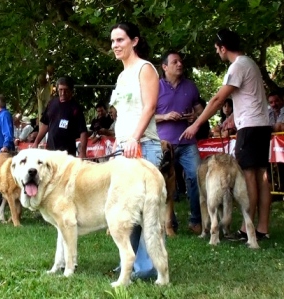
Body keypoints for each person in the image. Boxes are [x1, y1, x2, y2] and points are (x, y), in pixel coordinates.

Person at [181, 28, 272, 240]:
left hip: (250, 129)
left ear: (223, 47)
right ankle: (263, 228)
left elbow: (217, 100)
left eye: (216, 49)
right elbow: (251, 98)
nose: (216, 53)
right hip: (261, 125)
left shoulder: (237, 66)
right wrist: (233, 118)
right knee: (262, 176)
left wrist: (196, 124)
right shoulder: (250, 63)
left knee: (249, 176)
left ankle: (246, 230)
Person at [109, 21, 162, 281]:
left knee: (144, 212)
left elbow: (149, 107)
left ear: (134, 41)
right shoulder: (121, 76)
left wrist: (134, 138)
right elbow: (123, 113)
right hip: (123, 149)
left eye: (120, 40)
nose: (115, 45)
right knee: (125, 211)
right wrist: (119, 142)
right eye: (113, 41)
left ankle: (146, 267)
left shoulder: (146, 68)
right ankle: (129, 263)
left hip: (143, 146)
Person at [155, 50, 203, 234]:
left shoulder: (190, 86)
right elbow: (147, 115)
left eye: (181, 61)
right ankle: (169, 224)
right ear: (165, 67)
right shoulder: (156, 87)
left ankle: (195, 221)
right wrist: (165, 116)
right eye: (175, 62)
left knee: (196, 177)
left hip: (187, 142)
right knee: (163, 186)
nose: (180, 64)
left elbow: (200, 109)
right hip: (163, 145)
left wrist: (195, 116)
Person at [33, 76, 88, 157]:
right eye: (60, 90)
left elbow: (83, 131)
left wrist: (83, 152)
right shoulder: (51, 103)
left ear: (71, 91)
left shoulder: (75, 108)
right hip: (51, 150)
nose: (63, 93)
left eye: (66, 90)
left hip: (67, 153)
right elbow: (45, 125)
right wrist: (36, 142)